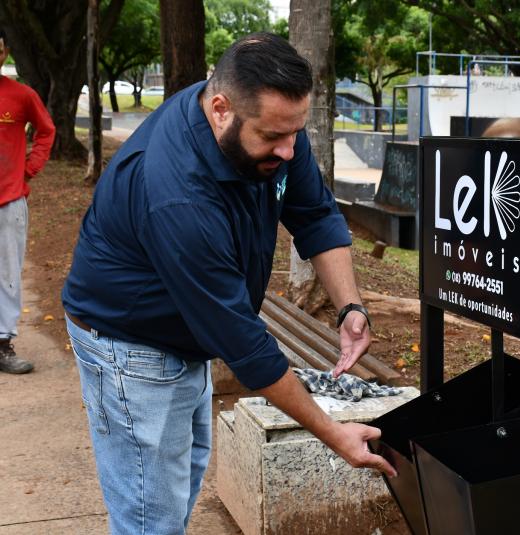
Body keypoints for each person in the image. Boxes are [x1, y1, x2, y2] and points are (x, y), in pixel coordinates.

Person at [62, 33, 395, 534]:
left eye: (295, 133)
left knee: (177, 482)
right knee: (150, 516)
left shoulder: (269, 120)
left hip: (181, 328)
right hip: (128, 343)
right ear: (221, 109)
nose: (289, 150)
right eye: (273, 137)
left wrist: (351, 308)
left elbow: (315, 213)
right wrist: (334, 433)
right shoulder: (177, 196)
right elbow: (246, 346)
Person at [0, 27, 55, 374]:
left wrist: (29, 169)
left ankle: (3, 343)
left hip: (9, 200)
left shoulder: (20, 95)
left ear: (4, 53)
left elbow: (47, 130)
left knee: (6, 274)